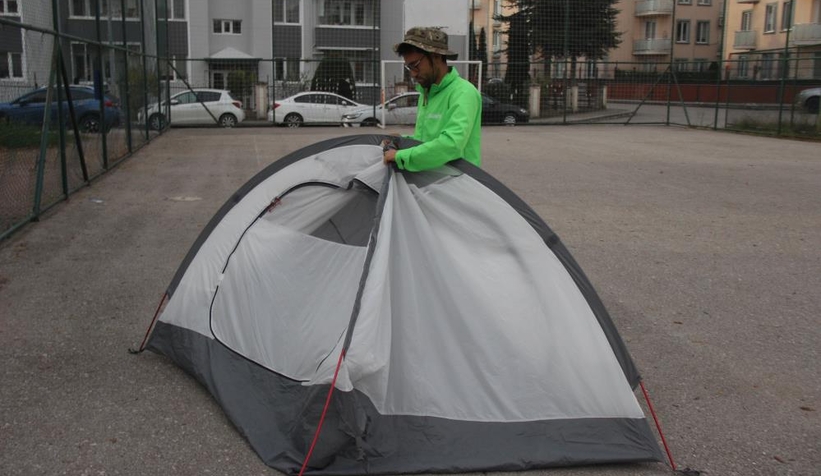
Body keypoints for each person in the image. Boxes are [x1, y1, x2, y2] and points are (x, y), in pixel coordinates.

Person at [383, 27, 482, 172]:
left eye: (415, 65)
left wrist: (400, 156)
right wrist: (402, 140)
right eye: (408, 67)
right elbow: (425, 141)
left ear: (436, 56)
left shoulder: (463, 92)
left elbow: (451, 145)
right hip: (433, 182)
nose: (413, 74)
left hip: (459, 184)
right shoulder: (426, 93)